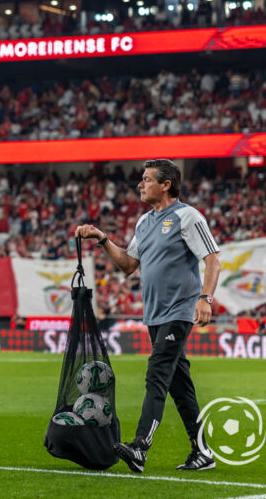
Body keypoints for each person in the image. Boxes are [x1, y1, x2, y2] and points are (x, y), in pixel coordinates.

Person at [75, 159, 220, 473]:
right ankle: (203, 452)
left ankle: (140, 446)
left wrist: (205, 298)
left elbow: (212, 259)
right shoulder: (144, 222)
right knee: (180, 387)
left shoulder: (187, 216)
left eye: (146, 179)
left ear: (166, 184)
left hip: (179, 311)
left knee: (156, 375)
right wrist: (102, 239)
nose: (141, 184)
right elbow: (128, 265)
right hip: (154, 315)